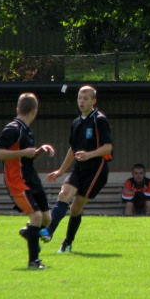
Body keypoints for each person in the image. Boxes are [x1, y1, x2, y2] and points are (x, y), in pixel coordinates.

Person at [41, 85, 113, 253]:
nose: (81, 101)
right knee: (63, 194)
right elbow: (73, 149)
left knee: (75, 208)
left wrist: (89, 155)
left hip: (97, 169)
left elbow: (108, 147)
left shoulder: (100, 120)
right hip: (79, 168)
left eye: (85, 98)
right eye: (79, 98)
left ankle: (67, 242)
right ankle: (49, 231)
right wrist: (60, 171)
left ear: (93, 101)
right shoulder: (76, 122)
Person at [0, 93, 55, 269]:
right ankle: (34, 261)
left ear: (18, 108)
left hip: (31, 177)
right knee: (36, 216)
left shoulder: (27, 130)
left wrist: (40, 150)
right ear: (35, 111)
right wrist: (23, 152)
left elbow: (27, 158)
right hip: (17, 180)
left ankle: (29, 232)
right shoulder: (13, 128)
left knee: (47, 218)